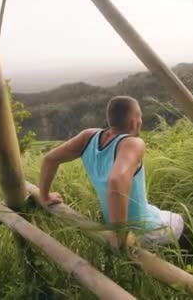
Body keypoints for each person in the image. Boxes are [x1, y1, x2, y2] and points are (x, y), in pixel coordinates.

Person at [38, 96, 184, 249]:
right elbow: (116, 180)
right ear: (135, 121)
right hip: (142, 230)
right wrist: (120, 235)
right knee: (184, 223)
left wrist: (45, 196)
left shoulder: (88, 137)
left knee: (164, 214)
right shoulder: (133, 143)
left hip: (117, 222)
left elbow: (50, 159)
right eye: (140, 115)